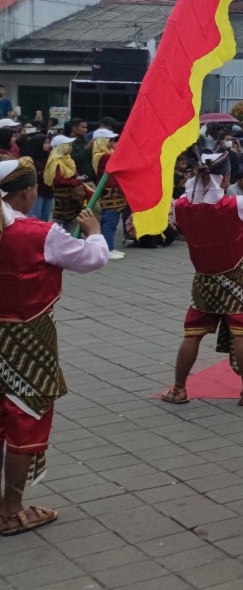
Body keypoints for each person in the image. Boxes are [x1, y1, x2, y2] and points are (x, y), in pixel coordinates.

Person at [0, 156, 108, 537]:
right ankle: (11, 510)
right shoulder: (38, 233)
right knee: (25, 416)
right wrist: (94, 231)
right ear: (28, 192)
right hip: (27, 339)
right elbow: (93, 258)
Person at [161, 152, 243, 406]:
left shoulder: (180, 205)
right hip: (235, 278)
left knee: (192, 333)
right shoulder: (233, 205)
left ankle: (178, 388)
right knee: (242, 333)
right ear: (224, 179)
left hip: (204, 279)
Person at [90, 129, 127, 260]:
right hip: (108, 191)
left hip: (113, 190)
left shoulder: (106, 154)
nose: (112, 143)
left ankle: (109, 246)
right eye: (110, 140)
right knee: (109, 220)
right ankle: (107, 248)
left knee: (112, 219)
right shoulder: (103, 156)